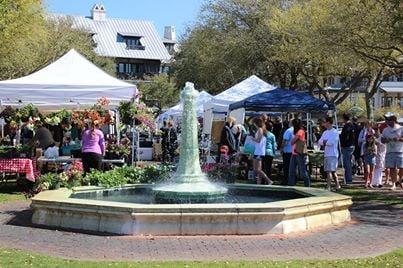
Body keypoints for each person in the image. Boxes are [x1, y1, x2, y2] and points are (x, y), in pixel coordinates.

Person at [381, 112, 403, 190]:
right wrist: (385, 140)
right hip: (390, 151)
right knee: (392, 168)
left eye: (388, 119)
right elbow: (382, 140)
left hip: (400, 151)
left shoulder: (401, 128)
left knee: (401, 167)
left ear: (393, 120)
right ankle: (393, 184)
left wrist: (399, 139)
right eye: (386, 119)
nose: (386, 121)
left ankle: (400, 180)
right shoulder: (385, 130)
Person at [318, 117, 340, 190]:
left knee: (329, 171)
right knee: (333, 172)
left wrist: (325, 142)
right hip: (327, 154)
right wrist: (325, 141)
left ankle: (328, 186)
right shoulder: (325, 132)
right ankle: (337, 185)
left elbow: (331, 142)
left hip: (333, 154)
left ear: (329, 123)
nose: (324, 124)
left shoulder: (335, 132)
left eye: (325, 122)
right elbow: (320, 142)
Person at [288, 118, 310, 187]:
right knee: (291, 171)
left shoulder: (300, 131)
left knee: (303, 171)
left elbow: (293, 141)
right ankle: (291, 185)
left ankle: (307, 185)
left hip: (300, 154)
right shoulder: (297, 131)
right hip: (294, 153)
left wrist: (292, 141)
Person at [251, 117, 273, 185]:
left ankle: (268, 180)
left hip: (259, 152)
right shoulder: (261, 130)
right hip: (258, 151)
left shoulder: (260, 130)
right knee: (257, 169)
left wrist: (252, 139)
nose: (253, 125)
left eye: (254, 123)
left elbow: (258, 140)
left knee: (257, 169)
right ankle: (259, 182)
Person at [340, 113, 356, 184]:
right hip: (351, 145)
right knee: (347, 163)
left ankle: (348, 179)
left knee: (347, 163)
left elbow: (345, 137)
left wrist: (342, 144)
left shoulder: (347, 126)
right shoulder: (352, 126)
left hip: (347, 146)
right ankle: (347, 178)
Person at [281, 120, 293, 185]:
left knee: (286, 167)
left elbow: (284, 141)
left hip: (287, 151)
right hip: (294, 151)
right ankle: (292, 180)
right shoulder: (298, 130)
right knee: (292, 167)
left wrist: (281, 148)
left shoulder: (288, 130)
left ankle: (286, 181)